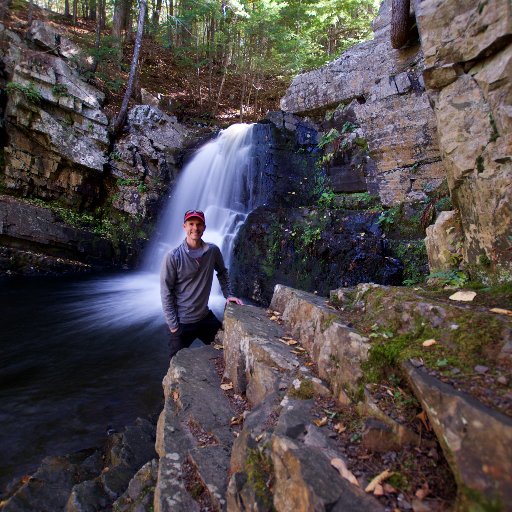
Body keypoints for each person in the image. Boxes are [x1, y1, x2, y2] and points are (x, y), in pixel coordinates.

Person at [160, 209, 243, 358]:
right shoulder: (173, 257)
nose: (195, 228)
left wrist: (229, 295)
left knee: (226, 348)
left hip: (204, 318)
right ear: (184, 226)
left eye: (199, 224)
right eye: (191, 224)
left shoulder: (212, 251)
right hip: (182, 323)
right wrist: (173, 325)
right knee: (175, 367)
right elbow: (166, 291)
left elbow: (222, 272)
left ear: (204, 227)